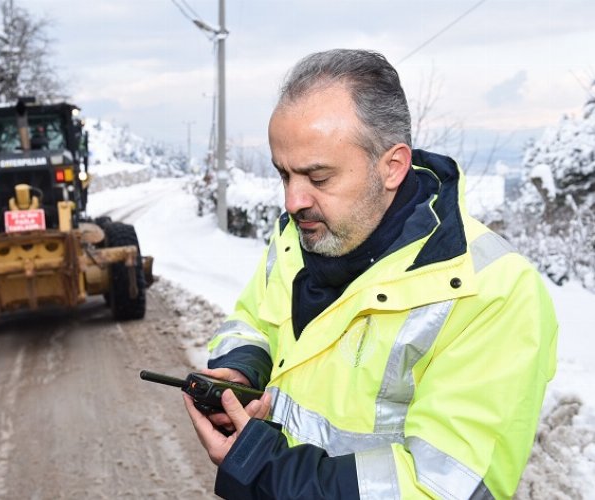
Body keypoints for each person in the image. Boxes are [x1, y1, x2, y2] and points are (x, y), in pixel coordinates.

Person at [183, 49, 558, 500]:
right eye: (284, 175)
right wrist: (242, 371)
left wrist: (267, 471)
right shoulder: (299, 236)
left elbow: (443, 488)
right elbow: (254, 320)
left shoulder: (493, 291)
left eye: (317, 177)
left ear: (392, 167)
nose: (292, 201)